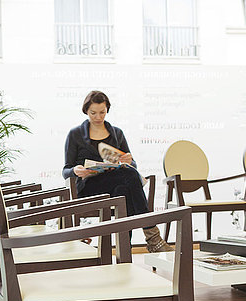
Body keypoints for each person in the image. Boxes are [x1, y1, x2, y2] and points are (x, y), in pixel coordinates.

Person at [62, 90, 172, 252]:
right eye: (93, 113)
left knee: (124, 189)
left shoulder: (117, 133)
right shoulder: (75, 134)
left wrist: (128, 161)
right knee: (129, 178)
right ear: (86, 111)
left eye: (102, 112)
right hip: (89, 188)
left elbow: (131, 164)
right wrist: (76, 171)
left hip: (115, 187)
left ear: (107, 110)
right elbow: (66, 170)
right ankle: (153, 238)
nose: (98, 117)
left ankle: (124, 250)